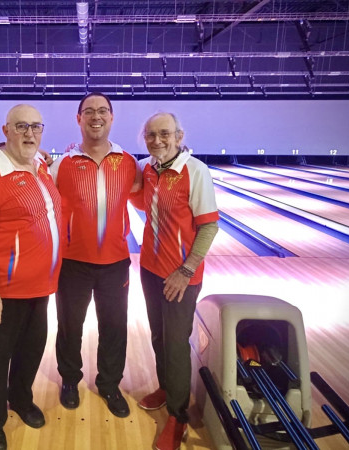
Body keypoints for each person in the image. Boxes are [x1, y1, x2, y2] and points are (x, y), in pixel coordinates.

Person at [0, 104, 62, 450]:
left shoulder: (40, 167)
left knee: (31, 351)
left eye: (36, 126)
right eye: (21, 127)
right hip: (3, 291)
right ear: (6, 131)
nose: (29, 133)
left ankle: (20, 398)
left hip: (40, 288)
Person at [131, 112, 219, 450]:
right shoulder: (148, 168)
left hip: (180, 275)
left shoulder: (195, 171)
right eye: (150, 135)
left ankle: (178, 415)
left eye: (164, 133)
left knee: (176, 343)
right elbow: (128, 186)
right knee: (159, 336)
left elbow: (209, 226)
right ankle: (168, 388)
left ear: (179, 136)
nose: (157, 140)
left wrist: (186, 271)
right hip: (150, 270)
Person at [51, 92, 140, 418]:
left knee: (114, 326)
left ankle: (109, 384)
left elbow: (141, 192)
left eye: (102, 111)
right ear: (79, 119)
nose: (96, 116)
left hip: (115, 263)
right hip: (73, 262)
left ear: (112, 117)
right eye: (88, 111)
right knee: (70, 326)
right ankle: (69, 380)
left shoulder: (128, 162)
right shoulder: (62, 163)